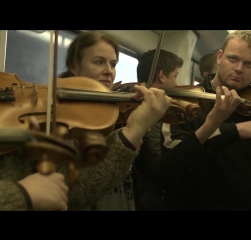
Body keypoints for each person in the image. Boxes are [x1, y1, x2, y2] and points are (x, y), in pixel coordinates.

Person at [146, 30, 251, 210]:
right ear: (220, 57)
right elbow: (166, 170)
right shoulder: (186, 103)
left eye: (248, 64)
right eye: (233, 59)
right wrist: (232, 130)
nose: (239, 68)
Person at [0, 30, 172, 211]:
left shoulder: (116, 111)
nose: (109, 70)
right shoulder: (52, 118)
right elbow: (71, 193)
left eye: (113, 64)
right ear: (74, 66)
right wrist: (133, 132)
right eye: (99, 62)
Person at [131, 49, 241, 210]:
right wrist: (215, 125)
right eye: (175, 76)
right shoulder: (151, 113)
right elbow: (158, 171)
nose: (177, 85)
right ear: (162, 76)